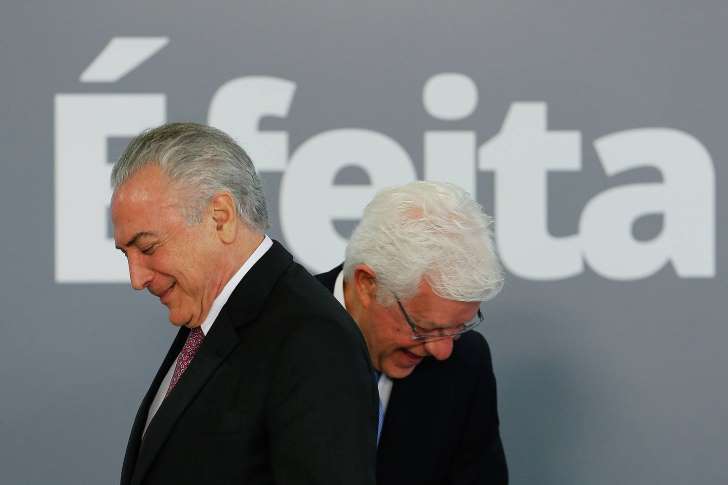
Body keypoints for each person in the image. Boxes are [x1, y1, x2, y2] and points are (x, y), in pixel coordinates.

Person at [111, 122, 377, 485]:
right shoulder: (208, 317)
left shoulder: (314, 339)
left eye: (147, 247)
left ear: (220, 217)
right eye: (126, 254)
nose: (136, 278)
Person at [317, 181, 508, 485]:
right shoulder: (270, 332)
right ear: (367, 284)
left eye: (458, 329)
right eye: (426, 328)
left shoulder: (466, 362)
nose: (443, 350)